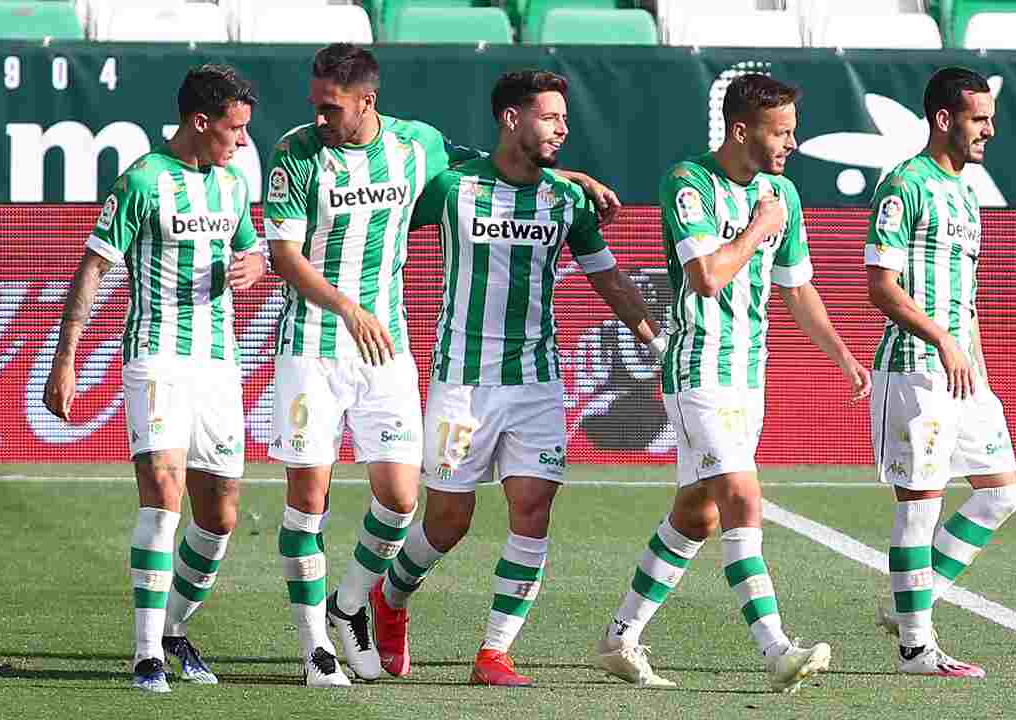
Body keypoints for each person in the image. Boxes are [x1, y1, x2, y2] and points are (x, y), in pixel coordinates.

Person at [263, 46, 620, 687]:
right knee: (308, 499)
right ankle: (316, 647)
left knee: (402, 501)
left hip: (388, 348)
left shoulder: (419, 145)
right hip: (313, 344)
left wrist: (574, 179)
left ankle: (350, 605)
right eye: (316, 103)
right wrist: (347, 307)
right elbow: (285, 254)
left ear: (366, 100)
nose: (318, 115)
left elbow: (498, 163)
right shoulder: (294, 151)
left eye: (331, 106)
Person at [366, 69, 663, 688]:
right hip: (462, 384)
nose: (563, 128)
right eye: (550, 117)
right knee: (448, 522)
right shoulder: (451, 190)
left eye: (564, 118)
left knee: (532, 507)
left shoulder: (566, 200)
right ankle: (388, 601)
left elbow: (607, 276)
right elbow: (382, 228)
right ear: (511, 118)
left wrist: (657, 342)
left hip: (536, 381)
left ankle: (494, 652)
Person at [594, 73, 870, 694]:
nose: (792, 144)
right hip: (697, 374)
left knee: (697, 517)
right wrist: (757, 225)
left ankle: (619, 639)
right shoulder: (687, 182)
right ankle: (776, 651)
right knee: (744, 499)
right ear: (741, 130)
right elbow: (705, 277)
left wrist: (843, 355)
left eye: (794, 132)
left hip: (750, 379)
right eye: (782, 132)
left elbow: (796, 288)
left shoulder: (784, 195)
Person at [43, 65, 265, 693]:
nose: (243, 141)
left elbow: (249, 250)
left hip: (220, 364)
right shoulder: (143, 180)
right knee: (165, 492)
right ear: (201, 122)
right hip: (157, 357)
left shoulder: (230, 184)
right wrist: (66, 361)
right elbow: (93, 269)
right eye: (235, 129)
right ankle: (145, 655)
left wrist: (251, 265)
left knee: (219, 515)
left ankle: (173, 629)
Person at [865, 66, 1016, 679]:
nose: (990, 129)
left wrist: (977, 366)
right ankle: (915, 649)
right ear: (943, 119)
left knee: (1001, 493)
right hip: (915, 370)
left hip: (963, 373)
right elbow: (881, 287)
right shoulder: (905, 185)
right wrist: (941, 342)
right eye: (979, 118)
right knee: (920, 507)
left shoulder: (965, 193)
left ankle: (911, 604)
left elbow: (968, 297)